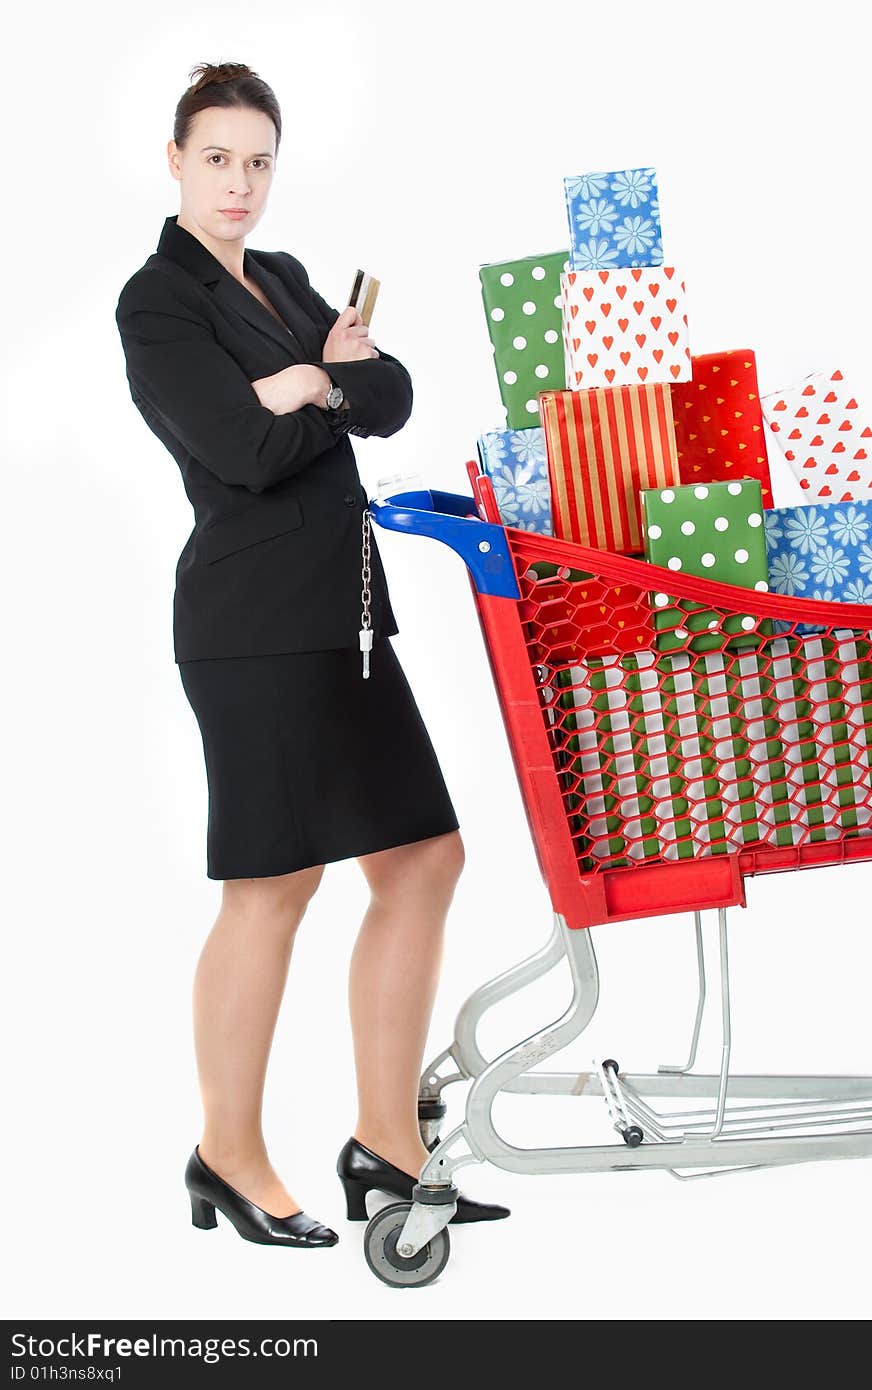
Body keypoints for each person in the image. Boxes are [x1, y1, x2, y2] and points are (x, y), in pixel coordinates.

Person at [115, 60, 510, 1249]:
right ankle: (226, 1153)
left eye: (258, 160)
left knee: (423, 858)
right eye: (218, 158)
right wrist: (300, 390)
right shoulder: (159, 302)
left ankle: (384, 1146)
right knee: (273, 886)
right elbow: (243, 452)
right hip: (251, 631)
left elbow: (385, 397)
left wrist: (311, 379)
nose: (240, 182)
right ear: (175, 162)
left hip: (342, 618)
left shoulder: (282, 280)